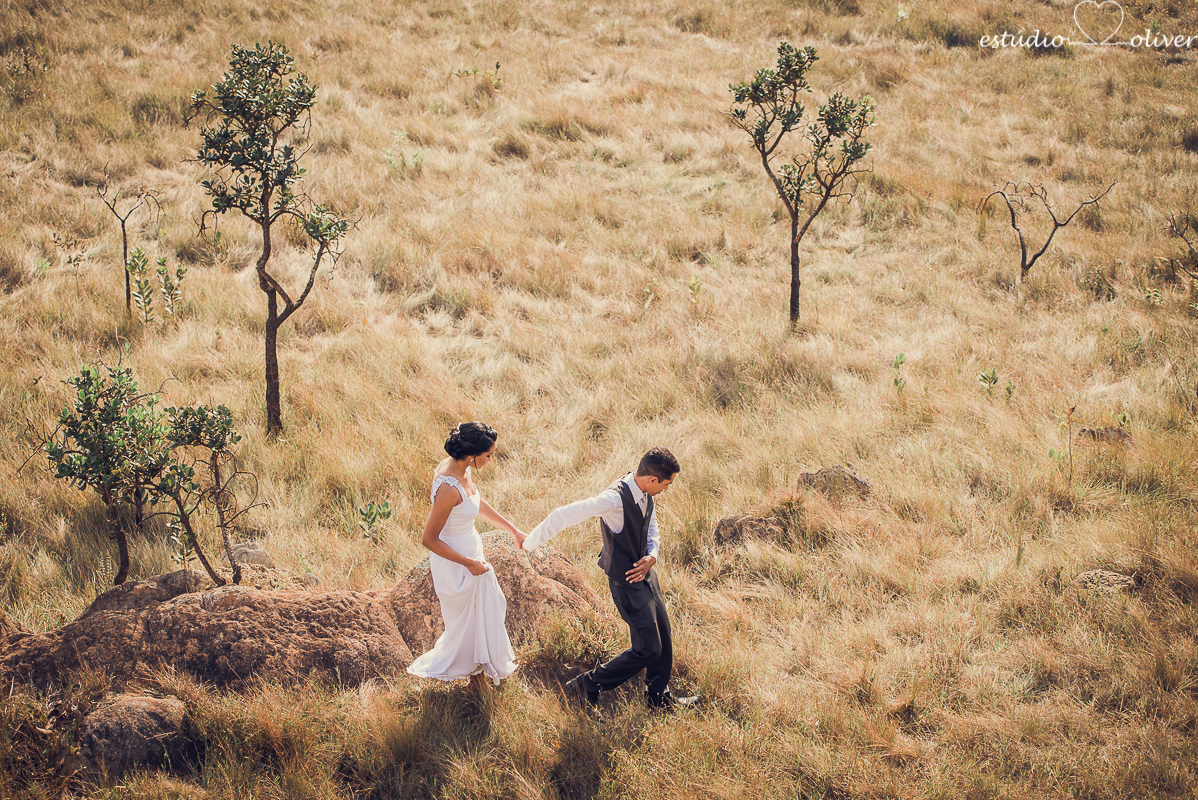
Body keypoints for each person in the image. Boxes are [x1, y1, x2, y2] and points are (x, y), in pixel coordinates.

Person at [521, 446, 698, 712]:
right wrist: (528, 544)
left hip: (648, 577)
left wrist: (653, 555)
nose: (667, 489)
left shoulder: (646, 491)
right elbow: (563, 514)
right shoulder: (613, 499)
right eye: (666, 483)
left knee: (663, 637)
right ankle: (586, 685)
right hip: (627, 584)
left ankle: (658, 698)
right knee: (648, 648)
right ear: (652, 480)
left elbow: (651, 526)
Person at [407, 422, 525, 692]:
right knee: (466, 624)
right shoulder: (448, 488)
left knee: (482, 613)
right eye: (488, 455)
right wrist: (469, 563)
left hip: (472, 553)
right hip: (455, 563)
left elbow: (475, 503)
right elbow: (429, 539)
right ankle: (475, 680)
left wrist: (513, 530)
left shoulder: (463, 468)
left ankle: (479, 674)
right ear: (472, 454)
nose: (490, 460)